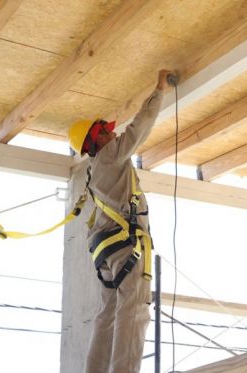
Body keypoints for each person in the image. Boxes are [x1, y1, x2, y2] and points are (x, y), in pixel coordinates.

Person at [68, 69, 173, 373]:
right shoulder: (111, 155)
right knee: (134, 310)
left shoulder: (92, 171)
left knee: (108, 315)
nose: (113, 133)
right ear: (96, 139)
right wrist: (159, 91)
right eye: (106, 131)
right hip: (127, 247)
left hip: (106, 253)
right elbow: (138, 129)